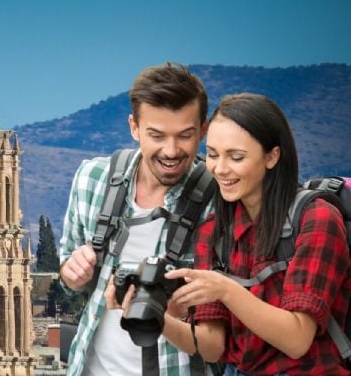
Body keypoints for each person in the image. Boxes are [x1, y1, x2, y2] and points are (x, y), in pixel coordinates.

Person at [117, 93, 350, 375]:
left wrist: (226, 290)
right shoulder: (214, 232)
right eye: (213, 154)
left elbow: (298, 340)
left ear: (272, 156)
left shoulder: (317, 218)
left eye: (236, 157)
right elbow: (213, 347)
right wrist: (153, 316)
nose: (220, 168)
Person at [59, 62, 210, 376]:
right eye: (156, 135)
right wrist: (71, 273)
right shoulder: (92, 178)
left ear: (203, 130)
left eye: (185, 135)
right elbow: (67, 266)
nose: (171, 151)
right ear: (134, 127)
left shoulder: (220, 200)